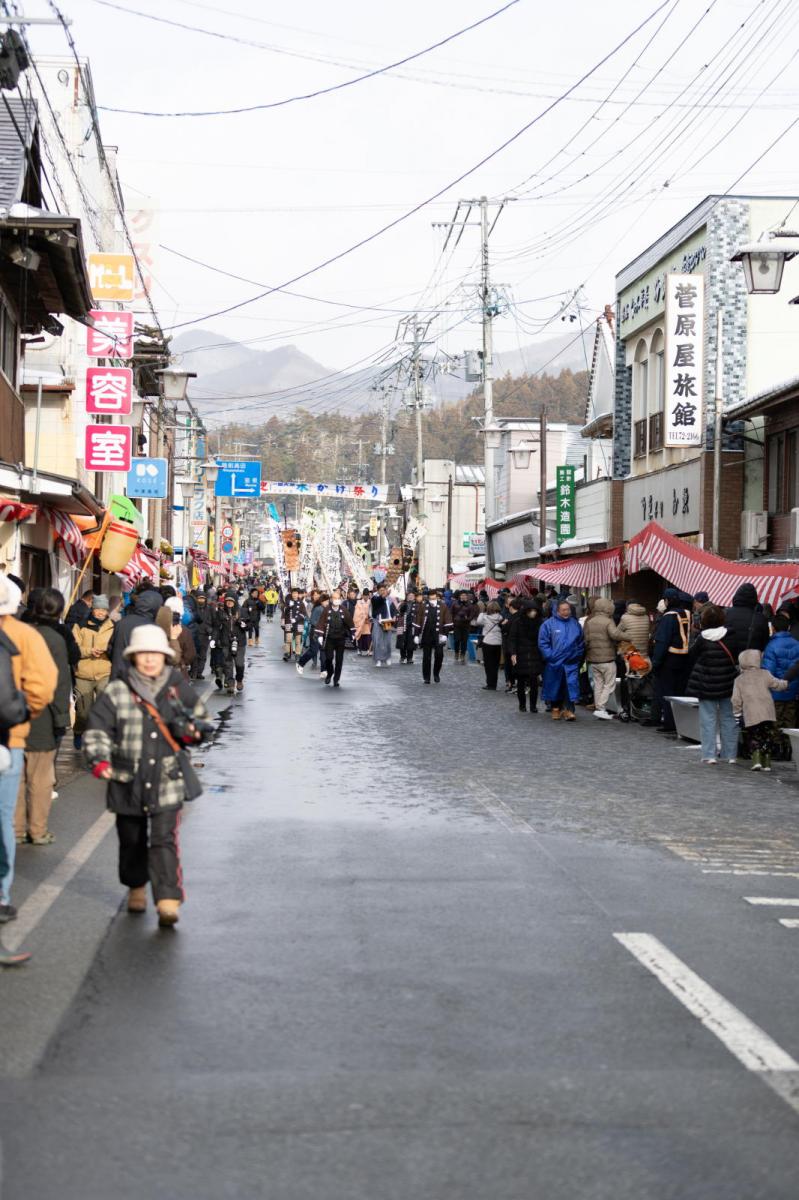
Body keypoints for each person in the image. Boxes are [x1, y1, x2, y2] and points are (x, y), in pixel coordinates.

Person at [83, 624, 209, 927]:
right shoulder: (118, 689)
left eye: (155, 654)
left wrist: (191, 731)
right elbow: (98, 729)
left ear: (164, 656)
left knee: (164, 839)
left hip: (167, 777)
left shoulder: (177, 687)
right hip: (126, 777)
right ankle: (136, 886)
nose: (150, 659)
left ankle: (168, 898)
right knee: (132, 838)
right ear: (133, 657)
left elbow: (202, 723)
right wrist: (99, 759)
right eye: (143, 654)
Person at [0, 576, 57, 924]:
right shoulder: (24, 635)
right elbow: (43, 685)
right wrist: (22, 715)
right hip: (8, 738)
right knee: (2, 817)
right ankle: (1, 895)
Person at [14, 589, 71, 846]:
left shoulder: (18, 633)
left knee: (17, 776)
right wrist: (61, 719)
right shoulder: (55, 639)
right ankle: (37, 829)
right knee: (40, 777)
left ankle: (16, 829)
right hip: (42, 715)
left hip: (14, 712)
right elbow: (59, 683)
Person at [686, 604, 739, 765]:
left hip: (706, 684)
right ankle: (730, 754)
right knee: (729, 719)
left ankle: (709, 754)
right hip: (728, 683)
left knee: (707, 719)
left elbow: (691, 656)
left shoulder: (702, 638)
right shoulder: (731, 636)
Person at [732, 649, 795, 771]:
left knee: (754, 736)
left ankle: (756, 761)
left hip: (751, 714)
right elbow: (777, 684)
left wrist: (737, 714)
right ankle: (767, 763)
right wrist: (786, 683)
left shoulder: (739, 679)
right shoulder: (765, 674)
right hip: (768, 712)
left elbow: (736, 699)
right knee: (767, 736)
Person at [73, 594, 114, 748]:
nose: (101, 612)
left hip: (105, 672)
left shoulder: (113, 626)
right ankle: (78, 731)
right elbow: (74, 648)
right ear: (92, 609)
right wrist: (89, 651)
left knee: (104, 709)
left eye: (104, 609)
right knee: (83, 712)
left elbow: (115, 646)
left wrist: (107, 651)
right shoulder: (80, 625)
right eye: (98, 609)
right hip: (83, 673)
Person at [650, 588, 692, 732]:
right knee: (679, 691)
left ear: (667, 601)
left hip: (670, 658)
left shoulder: (668, 616)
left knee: (667, 692)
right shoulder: (687, 613)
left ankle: (670, 723)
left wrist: (656, 662)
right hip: (685, 658)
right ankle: (681, 723)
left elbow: (662, 641)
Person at [538, 599, 584, 721]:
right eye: (563, 610)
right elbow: (543, 643)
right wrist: (550, 656)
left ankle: (569, 710)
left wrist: (577, 655)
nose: (566, 612)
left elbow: (580, 642)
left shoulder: (575, 624)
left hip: (571, 661)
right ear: (557, 611)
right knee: (555, 685)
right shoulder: (548, 624)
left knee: (570, 686)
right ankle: (556, 708)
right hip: (554, 662)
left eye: (568, 609)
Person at [109, 585, 168, 679]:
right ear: (155, 608)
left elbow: (110, 648)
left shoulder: (122, 622)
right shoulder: (153, 628)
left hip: (118, 675)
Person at [761, 612, 799, 735]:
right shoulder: (797, 644)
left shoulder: (771, 646)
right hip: (793, 691)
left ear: (773, 628)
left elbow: (768, 672)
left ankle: (778, 745)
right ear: (788, 627)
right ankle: (791, 746)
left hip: (776, 693)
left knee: (776, 726)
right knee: (791, 724)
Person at [583, 598, 619, 721]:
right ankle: (601, 706)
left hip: (593, 659)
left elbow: (586, 640)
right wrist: (628, 636)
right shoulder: (608, 621)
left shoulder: (589, 621)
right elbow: (615, 635)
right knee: (609, 684)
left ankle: (599, 709)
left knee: (598, 684)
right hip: (607, 658)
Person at [509, 599, 543, 712]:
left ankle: (533, 706)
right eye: (531, 610)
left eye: (535, 610)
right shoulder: (518, 622)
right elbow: (512, 638)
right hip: (521, 655)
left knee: (534, 682)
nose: (533, 613)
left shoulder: (540, 623)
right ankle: (522, 705)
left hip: (535, 655)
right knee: (521, 681)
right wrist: (513, 653)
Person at [315, 589, 354, 687]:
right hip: (329, 638)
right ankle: (330, 672)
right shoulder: (327, 610)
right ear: (331, 599)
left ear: (340, 599)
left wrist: (352, 633)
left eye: (338, 598)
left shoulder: (343, 610)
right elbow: (321, 622)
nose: (336, 600)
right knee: (328, 658)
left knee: (339, 660)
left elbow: (349, 622)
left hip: (340, 638)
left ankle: (336, 679)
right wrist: (320, 636)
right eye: (334, 598)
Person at [414, 588, 453, 684]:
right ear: (428, 597)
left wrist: (445, 634)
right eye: (430, 595)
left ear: (437, 596)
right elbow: (418, 620)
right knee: (426, 657)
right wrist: (416, 635)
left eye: (433, 595)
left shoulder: (443, 606)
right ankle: (426, 677)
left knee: (439, 655)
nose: (432, 597)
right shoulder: (423, 606)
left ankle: (436, 673)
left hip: (439, 634)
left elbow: (447, 620)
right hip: (426, 634)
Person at [724, 582, 770, 658]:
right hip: (751, 661)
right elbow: (764, 645)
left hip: (728, 660)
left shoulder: (725, 614)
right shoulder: (761, 619)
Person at [214, 593, 248, 694]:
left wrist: (244, 625)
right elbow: (216, 627)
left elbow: (249, 624)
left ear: (235, 602)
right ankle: (230, 684)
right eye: (227, 601)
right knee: (227, 664)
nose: (229, 603)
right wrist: (213, 639)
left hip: (239, 642)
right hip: (226, 641)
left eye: (231, 601)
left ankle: (239, 680)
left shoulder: (242, 611)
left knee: (239, 664)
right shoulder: (220, 613)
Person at [476, 601, 503, 690]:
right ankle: (494, 683)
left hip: (488, 642)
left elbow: (478, 622)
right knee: (495, 664)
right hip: (498, 642)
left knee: (488, 664)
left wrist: (482, 612)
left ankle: (490, 683)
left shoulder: (485, 617)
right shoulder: (501, 617)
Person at [371, 584, 398, 668]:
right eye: (381, 590)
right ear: (378, 591)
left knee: (387, 641)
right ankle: (378, 659)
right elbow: (379, 601)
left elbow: (394, 609)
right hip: (378, 621)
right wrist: (384, 596)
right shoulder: (375, 598)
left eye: (384, 590)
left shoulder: (389, 599)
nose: (383, 592)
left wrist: (394, 616)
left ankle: (387, 658)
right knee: (377, 641)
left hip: (387, 621)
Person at [190, 592, 214, 680]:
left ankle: (199, 672)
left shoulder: (209, 609)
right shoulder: (193, 609)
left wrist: (209, 629)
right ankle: (193, 671)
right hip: (195, 634)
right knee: (194, 654)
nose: (201, 600)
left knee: (203, 654)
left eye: (203, 598)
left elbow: (212, 620)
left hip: (205, 635)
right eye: (199, 598)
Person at [451, 591, 477, 663]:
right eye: (462, 595)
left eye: (465, 595)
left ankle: (463, 654)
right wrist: (453, 621)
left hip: (466, 625)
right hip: (457, 624)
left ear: (467, 596)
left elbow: (472, 614)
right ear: (459, 596)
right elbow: (451, 612)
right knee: (456, 640)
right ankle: (456, 652)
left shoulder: (470, 605)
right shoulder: (455, 603)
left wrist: (467, 619)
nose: (463, 596)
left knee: (464, 641)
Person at [281, 586, 305, 662]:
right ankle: (287, 653)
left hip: (299, 623)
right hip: (289, 622)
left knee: (298, 640)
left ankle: (297, 654)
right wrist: (289, 606)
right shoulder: (288, 602)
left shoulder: (301, 603)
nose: (294, 595)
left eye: (296, 593)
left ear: (298, 594)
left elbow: (303, 614)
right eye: (293, 593)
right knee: (288, 639)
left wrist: (296, 619)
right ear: (291, 594)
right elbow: (284, 611)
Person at [397, 588, 417, 665]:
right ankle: (402, 656)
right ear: (407, 596)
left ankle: (409, 657)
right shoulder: (403, 603)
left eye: (412, 595)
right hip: (403, 624)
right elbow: (400, 611)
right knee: (402, 640)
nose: (411, 597)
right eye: (409, 595)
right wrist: (404, 604)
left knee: (410, 641)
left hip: (412, 625)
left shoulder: (416, 604)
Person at [353, 589, 372, 655]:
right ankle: (359, 649)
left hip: (367, 622)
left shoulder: (370, 602)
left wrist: (369, 617)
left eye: (367, 596)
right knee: (360, 635)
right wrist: (364, 617)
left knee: (368, 635)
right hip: (360, 622)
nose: (366, 597)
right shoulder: (359, 602)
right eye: (365, 596)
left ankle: (369, 650)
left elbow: (371, 611)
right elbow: (357, 613)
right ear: (362, 596)